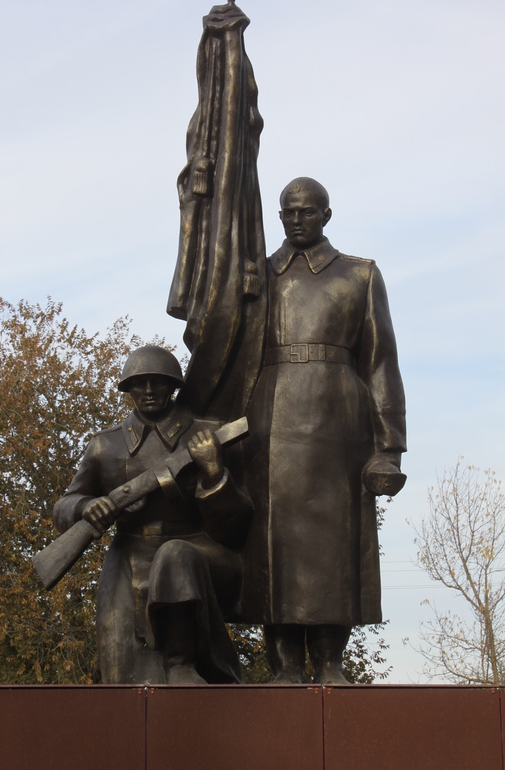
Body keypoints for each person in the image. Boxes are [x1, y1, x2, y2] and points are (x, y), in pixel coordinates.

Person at [241, 177, 406, 684]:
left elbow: (380, 364)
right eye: (288, 212)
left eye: (307, 212)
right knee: (271, 545)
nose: (296, 220)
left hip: (339, 428)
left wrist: (389, 449)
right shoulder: (255, 277)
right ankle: (285, 666)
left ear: (326, 216)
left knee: (333, 543)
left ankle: (332, 664)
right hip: (267, 423)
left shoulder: (359, 275)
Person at [52, 345, 252, 685]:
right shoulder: (104, 445)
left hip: (197, 550)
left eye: (157, 382)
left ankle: (182, 665)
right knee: (119, 675)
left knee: (174, 556)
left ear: (172, 386)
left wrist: (214, 473)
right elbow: (64, 505)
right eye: (139, 383)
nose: (148, 391)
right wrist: (88, 506)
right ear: (127, 388)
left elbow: (237, 523)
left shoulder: (206, 434)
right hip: (128, 555)